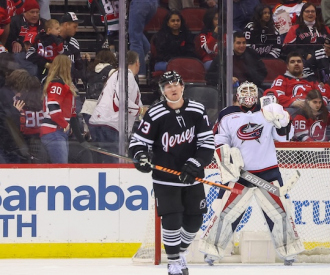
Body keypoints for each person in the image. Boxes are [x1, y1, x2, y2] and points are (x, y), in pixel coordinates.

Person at [200, 81, 302, 266]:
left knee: (280, 213)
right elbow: (219, 139)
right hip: (240, 175)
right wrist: (226, 155)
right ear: (237, 95)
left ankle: (289, 251)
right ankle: (212, 251)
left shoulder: (267, 111)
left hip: (268, 173)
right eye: (244, 91)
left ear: (258, 94)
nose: (248, 94)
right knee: (226, 213)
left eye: (251, 90)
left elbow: (284, 136)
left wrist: (283, 121)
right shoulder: (227, 114)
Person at [129, 71, 215, 275]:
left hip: (192, 178)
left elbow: (207, 143)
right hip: (166, 179)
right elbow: (137, 142)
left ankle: (180, 253)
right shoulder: (155, 113)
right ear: (162, 90)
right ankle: (174, 262)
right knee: (172, 220)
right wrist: (140, 156)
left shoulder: (197, 110)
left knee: (195, 221)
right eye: (168, 86)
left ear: (183, 86)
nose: (173, 89)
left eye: (176, 84)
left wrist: (195, 164)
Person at [89, 51, 142, 163]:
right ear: (137, 63)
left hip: (99, 122)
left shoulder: (116, 74)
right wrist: (140, 110)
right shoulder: (126, 75)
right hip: (111, 125)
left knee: (101, 166)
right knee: (113, 167)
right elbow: (120, 101)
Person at [292, 89, 330, 162]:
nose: (318, 105)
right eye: (315, 102)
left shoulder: (325, 113)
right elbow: (300, 135)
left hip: (322, 148)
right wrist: (316, 145)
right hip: (305, 150)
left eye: (320, 102)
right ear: (307, 101)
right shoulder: (301, 114)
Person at [40, 55, 77, 164]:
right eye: (69, 65)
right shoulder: (58, 84)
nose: (71, 67)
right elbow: (53, 108)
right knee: (61, 171)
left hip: (57, 131)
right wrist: (65, 124)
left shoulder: (61, 84)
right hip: (54, 131)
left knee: (61, 169)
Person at [81, 49, 117, 130]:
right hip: (103, 110)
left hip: (87, 108)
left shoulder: (90, 70)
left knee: (95, 141)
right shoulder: (112, 71)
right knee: (105, 141)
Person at [0, 69, 31, 163]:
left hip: (12, 144)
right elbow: (5, 118)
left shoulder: (11, 94)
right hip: (5, 143)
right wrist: (15, 111)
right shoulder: (4, 94)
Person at [128, 0, 159, 77]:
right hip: (153, 3)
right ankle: (148, 51)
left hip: (139, 3)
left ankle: (139, 73)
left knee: (135, 40)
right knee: (137, 32)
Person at [59, 12, 85, 84]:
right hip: (54, 82)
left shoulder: (74, 42)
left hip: (70, 84)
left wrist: (84, 61)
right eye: (74, 27)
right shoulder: (51, 40)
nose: (76, 30)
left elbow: (79, 66)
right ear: (66, 25)